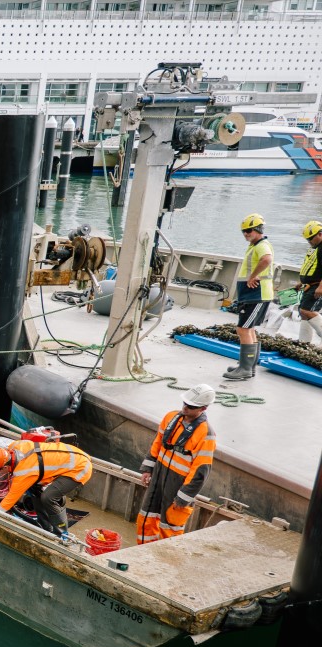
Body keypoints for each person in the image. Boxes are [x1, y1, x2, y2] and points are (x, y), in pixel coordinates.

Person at [135, 384, 217, 544]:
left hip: (178, 485)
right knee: (146, 518)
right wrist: (147, 469)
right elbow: (157, 443)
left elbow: (201, 470)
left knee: (170, 527)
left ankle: (165, 561)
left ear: (203, 408)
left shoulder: (206, 434)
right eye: (185, 403)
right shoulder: (170, 418)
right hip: (158, 477)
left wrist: (184, 496)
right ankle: (142, 552)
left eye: (191, 406)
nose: (185, 408)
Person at [0, 439, 93, 538]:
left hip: (80, 468)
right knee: (34, 490)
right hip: (73, 455)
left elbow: (8, 502)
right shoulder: (15, 446)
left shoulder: (23, 472)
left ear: (5, 467)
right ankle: (46, 526)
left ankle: (62, 533)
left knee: (49, 497)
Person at [224, 214, 274, 380]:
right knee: (249, 328)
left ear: (258, 230)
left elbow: (267, 259)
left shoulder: (262, 245)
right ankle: (248, 366)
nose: (246, 234)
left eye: (249, 230)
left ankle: (245, 368)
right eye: (243, 231)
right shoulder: (254, 245)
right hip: (251, 294)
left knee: (243, 328)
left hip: (257, 294)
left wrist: (253, 276)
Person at [295, 219, 322, 346]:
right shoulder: (314, 248)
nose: (309, 241)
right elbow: (310, 266)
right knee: (303, 311)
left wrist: (320, 287)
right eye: (307, 239)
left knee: (307, 311)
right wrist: (301, 282)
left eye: (311, 238)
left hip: (318, 285)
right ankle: (304, 342)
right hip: (310, 285)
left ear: (320, 234)